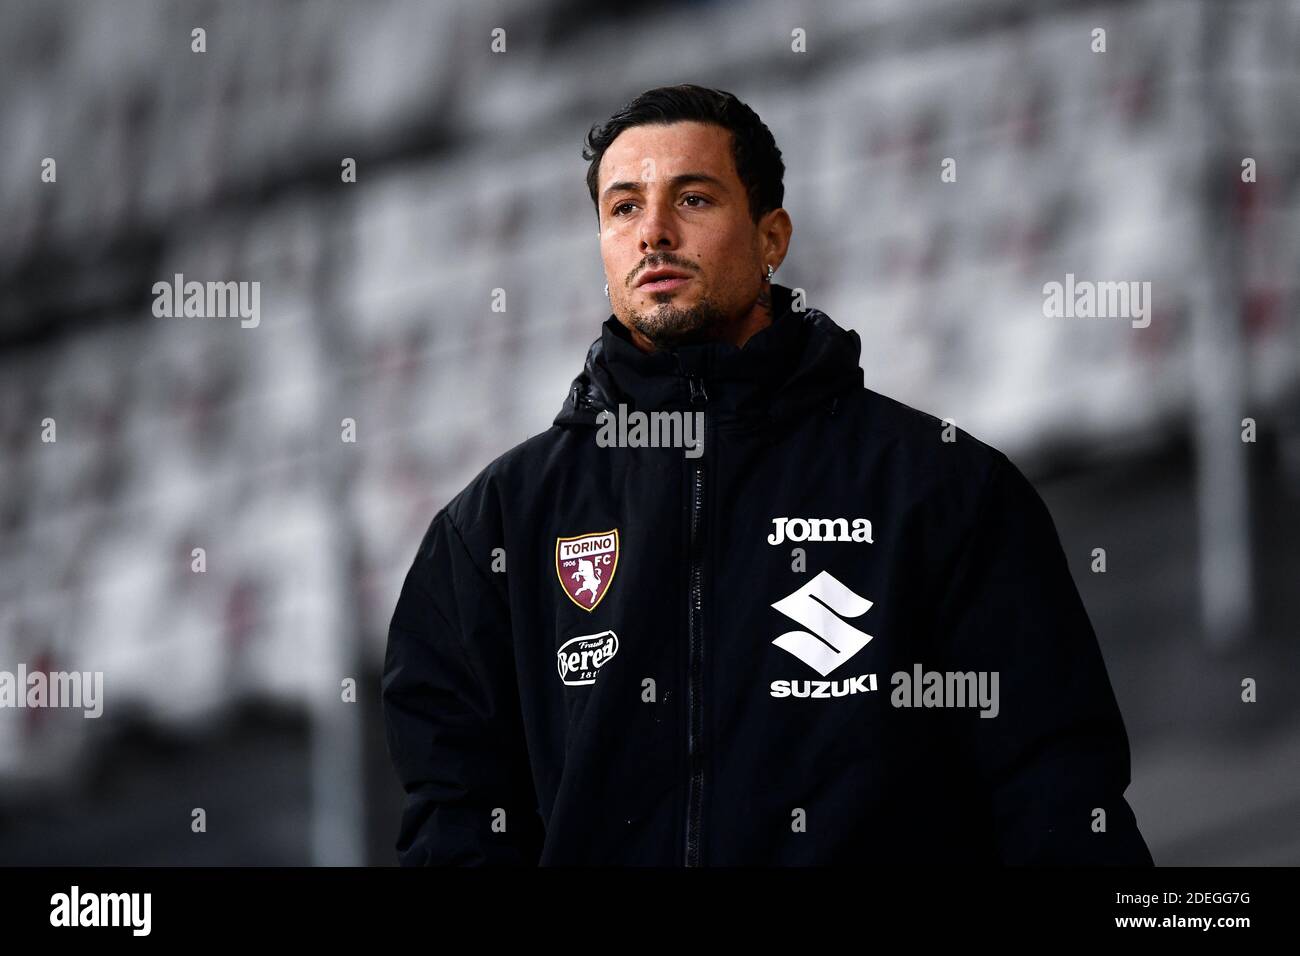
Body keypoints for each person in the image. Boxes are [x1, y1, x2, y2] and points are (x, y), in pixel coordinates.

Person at [381, 84, 1154, 866]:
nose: (653, 233)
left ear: (771, 237)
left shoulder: (943, 489)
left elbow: (1056, 797)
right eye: (623, 208)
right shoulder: (493, 532)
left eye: (692, 197)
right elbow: (459, 829)